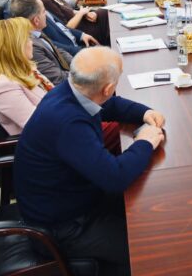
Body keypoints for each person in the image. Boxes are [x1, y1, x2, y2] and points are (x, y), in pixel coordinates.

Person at [14, 47, 165, 275]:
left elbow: (108, 104)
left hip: (74, 198)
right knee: (149, 247)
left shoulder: (69, 91)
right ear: (108, 88)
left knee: (154, 210)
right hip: (63, 227)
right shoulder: (68, 124)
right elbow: (115, 178)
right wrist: (144, 142)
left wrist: (144, 112)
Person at [0, 18, 51, 135]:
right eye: (27, 38)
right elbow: (41, 126)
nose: (31, 43)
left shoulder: (23, 67)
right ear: (14, 46)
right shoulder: (3, 88)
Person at [4, 0, 97, 56]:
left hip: (72, 42)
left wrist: (81, 35)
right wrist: (79, 51)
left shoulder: (34, 0)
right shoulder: (19, 10)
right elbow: (46, 43)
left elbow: (59, 25)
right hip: (67, 52)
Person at [10, 0, 72, 84]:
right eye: (43, 11)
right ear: (36, 20)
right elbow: (58, 79)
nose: (46, 14)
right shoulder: (30, 47)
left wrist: (77, 64)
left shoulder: (35, 31)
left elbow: (57, 51)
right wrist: (84, 74)